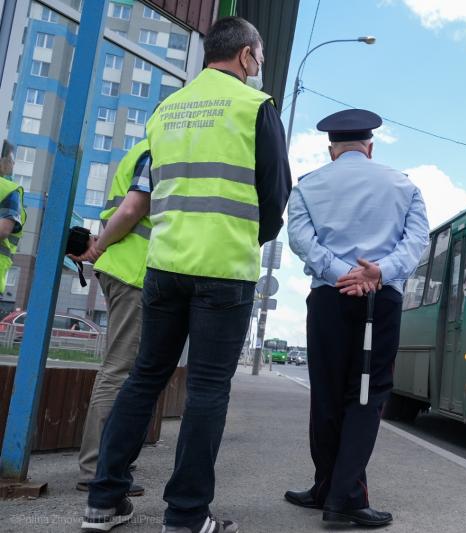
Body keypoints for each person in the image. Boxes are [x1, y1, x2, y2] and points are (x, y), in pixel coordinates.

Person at [81, 17, 291, 533]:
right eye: (259, 57)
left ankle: (103, 502)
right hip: (223, 269)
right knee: (206, 390)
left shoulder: (166, 109)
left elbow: (150, 188)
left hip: (164, 266)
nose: (259, 65)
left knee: (143, 378)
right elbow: (276, 192)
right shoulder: (253, 107)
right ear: (246, 56)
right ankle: (186, 515)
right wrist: (250, 236)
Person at [285, 109, 429, 527]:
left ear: (332, 150)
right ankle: (342, 497)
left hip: (329, 299)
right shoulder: (404, 186)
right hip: (379, 301)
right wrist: (376, 273)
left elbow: (299, 239)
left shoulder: (309, 186)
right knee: (367, 396)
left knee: (326, 395)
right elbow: (416, 241)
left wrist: (338, 272)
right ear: (370, 146)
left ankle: (327, 487)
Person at [71, 138, 151, 496]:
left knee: (127, 370)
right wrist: (99, 247)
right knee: (119, 369)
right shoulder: (158, 149)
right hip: (132, 271)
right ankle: (96, 467)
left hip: (125, 269)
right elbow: (133, 210)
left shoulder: (140, 150)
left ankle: (110, 460)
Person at [0, 141, 26, 294]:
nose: (13, 163)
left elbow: (3, 229)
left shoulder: (8, 189)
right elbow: (4, 229)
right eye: (10, 158)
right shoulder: (10, 190)